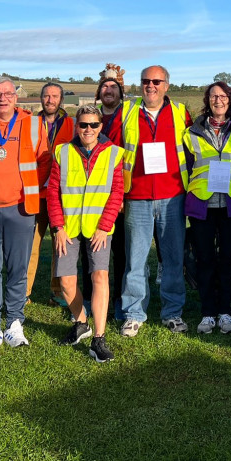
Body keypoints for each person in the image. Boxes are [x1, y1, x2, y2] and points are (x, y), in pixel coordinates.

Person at [0, 76, 50, 354]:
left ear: (16, 97)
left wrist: (27, 189)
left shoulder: (34, 124)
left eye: (8, 93)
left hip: (20, 208)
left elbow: (44, 162)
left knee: (18, 268)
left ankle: (14, 322)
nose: (3, 98)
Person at [119, 65, 192, 337]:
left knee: (173, 258)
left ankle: (172, 312)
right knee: (135, 260)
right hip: (136, 196)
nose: (151, 86)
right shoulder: (127, 111)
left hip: (173, 195)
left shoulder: (181, 112)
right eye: (146, 81)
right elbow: (115, 151)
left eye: (156, 81)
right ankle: (134, 313)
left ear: (167, 85)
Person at [47, 105, 124, 362]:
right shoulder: (63, 151)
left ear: (101, 127)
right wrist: (57, 227)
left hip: (99, 229)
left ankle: (98, 339)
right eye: (83, 125)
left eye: (93, 125)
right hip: (67, 227)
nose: (88, 129)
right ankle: (82, 322)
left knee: (100, 276)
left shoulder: (114, 154)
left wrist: (104, 227)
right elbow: (53, 192)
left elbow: (116, 193)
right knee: (66, 282)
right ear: (76, 126)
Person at [184, 81, 231, 334]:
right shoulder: (191, 133)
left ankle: (225, 312)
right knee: (205, 259)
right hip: (203, 204)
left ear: (230, 100)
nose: (218, 100)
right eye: (213, 96)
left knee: (228, 259)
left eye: (223, 96)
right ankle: (207, 312)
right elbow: (187, 168)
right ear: (207, 100)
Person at [27, 82, 74, 307]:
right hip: (34, 193)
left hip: (60, 194)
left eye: (55, 96)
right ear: (41, 99)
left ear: (61, 99)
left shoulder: (72, 124)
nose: (50, 100)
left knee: (60, 246)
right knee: (30, 245)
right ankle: (23, 293)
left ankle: (58, 292)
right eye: (46, 96)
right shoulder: (29, 124)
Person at [96, 69, 129, 312]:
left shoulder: (127, 115)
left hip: (121, 188)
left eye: (114, 87)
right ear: (99, 92)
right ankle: (91, 296)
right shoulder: (91, 117)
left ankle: (119, 296)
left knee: (120, 249)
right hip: (94, 190)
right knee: (92, 248)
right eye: (105, 87)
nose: (109, 90)